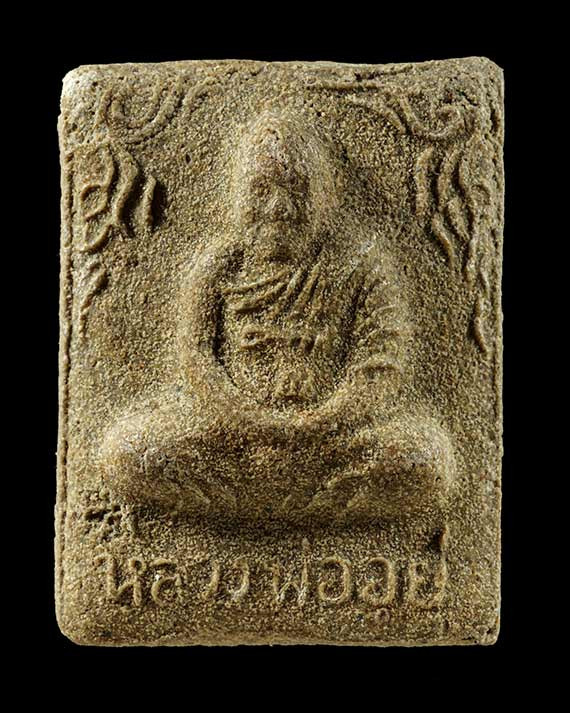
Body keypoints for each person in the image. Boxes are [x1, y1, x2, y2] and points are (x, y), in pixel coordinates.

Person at [100, 110, 454, 523]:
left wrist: (319, 422)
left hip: (331, 443)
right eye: (261, 190)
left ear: (324, 195)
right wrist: (250, 420)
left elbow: (379, 369)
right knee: (126, 453)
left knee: (425, 460)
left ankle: (253, 508)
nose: (279, 208)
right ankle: (296, 507)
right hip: (233, 440)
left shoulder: (360, 265)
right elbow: (197, 360)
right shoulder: (219, 266)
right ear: (238, 196)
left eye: (297, 190)